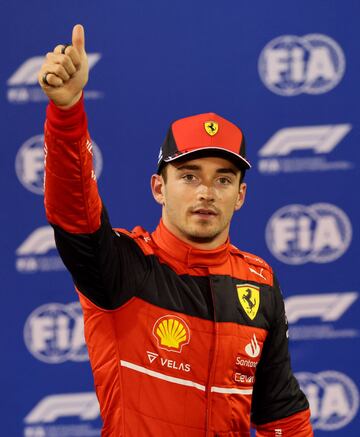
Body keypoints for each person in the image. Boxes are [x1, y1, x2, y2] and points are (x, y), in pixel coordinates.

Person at [38, 24, 313, 437]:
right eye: (188, 176)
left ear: (240, 196)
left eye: (223, 179)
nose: (206, 192)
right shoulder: (124, 268)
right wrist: (67, 113)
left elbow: (282, 417)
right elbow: (73, 210)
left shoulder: (260, 284)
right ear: (158, 188)